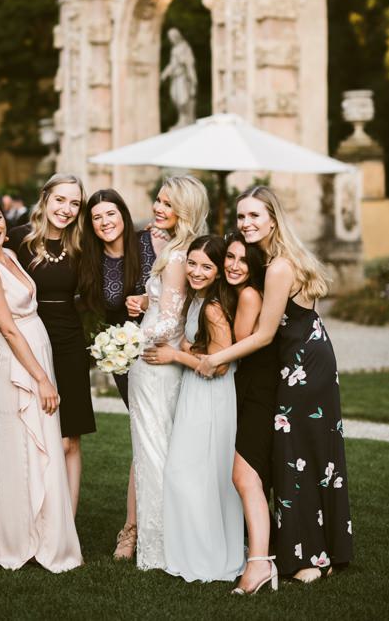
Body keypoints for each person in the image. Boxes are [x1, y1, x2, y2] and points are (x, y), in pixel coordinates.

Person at [200, 187, 350, 587]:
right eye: (241, 216)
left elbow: (265, 334)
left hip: (304, 366)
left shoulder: (280, 266)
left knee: (300, 456)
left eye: (254, 216)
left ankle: (312, 557)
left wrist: (216, 357)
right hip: (294, 361)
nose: (246, 223)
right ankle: (313, 552)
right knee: (298, 456)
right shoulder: (266, 260)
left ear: (272, 219)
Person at [0, 192, 82, 573]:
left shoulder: (9, 253)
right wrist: (43, 379)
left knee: (43, 444)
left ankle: (46, 534)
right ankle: (19, 539)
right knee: (22, 448)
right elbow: (9, 329)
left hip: (36, 347)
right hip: (20, 360)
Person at [145, 236, 243, 583]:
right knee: (194, 474)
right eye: (192, 263)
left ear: (218, 272)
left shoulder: (213, 308)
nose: (196, 272)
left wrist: (175, 355)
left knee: (191, 474)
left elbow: (219, 365)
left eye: (206, 266)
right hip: (197, 391)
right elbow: (205, 350)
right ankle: (194, 550)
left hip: (211, 395)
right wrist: (189, 347)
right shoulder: (197, 300)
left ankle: (206, 557)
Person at [126, 174, 209, 571]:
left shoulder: (177, 256)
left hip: (155, 359)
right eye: (158, 200)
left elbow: (171, 322)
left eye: (168, 204)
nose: (158, 208)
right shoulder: (179, 249)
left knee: (153, 449)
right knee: (158, 445)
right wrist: (146, 301)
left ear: (185, 211)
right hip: (159, 359)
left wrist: (126, 340)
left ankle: (160, 547)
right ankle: (169, 539)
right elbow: (168, 305)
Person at [7, 173, 90, 512]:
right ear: (45, 197)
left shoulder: (83, 243)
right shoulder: (17, 239)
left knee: (69, 440)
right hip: (29, 343)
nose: (66, 209)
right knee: (33, 436)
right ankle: (34, 516)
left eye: (75, 203)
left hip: (70, 342)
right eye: (60, 199)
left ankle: (67, 523)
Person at [77, 188, 145, 559]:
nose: (105, 222)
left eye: (110, 214)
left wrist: (149, 300)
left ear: (123, 214)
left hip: (166, 352)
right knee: (144, 437)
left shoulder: (149, 243)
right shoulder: (89, 261)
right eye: (97, 217)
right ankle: (130, 530)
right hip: (126, 358)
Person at [221, 232, 278, 595]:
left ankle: (259, 563)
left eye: (243, 260)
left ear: (255, 266)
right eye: (230, 257)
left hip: (259, 390)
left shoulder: (249, 295)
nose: (234, 265)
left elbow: (237, 344)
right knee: (249, 474)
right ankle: (262, 550)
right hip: (252, 388)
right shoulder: (246, 292)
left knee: (245, 476)